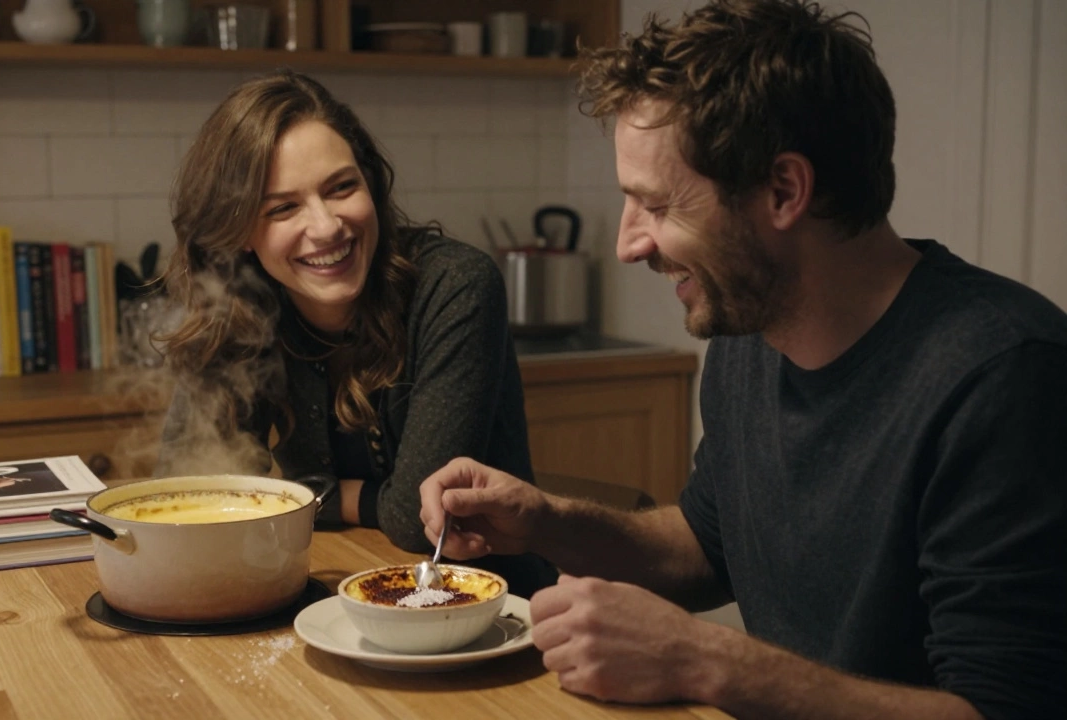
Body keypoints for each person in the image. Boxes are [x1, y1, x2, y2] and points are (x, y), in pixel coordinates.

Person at [418, 1, 1067, 718]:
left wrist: (704, 660)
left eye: (657, 206)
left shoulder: (1007, 375)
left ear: (784, 191)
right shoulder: (750, 332)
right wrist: (545, 521)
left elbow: (1003, 710)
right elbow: (705, 547)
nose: (628, 245)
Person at [155, 70, 557, 597]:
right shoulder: (243, 304)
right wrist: (355, 498)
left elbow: (417, 519)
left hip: (491, 603)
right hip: (333, 587)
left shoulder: (457, 284)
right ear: (241, 231)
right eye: (283, 208)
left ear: (370, 182)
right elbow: (190, 491)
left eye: (341, 187)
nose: (326, 227)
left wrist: (298, 495)